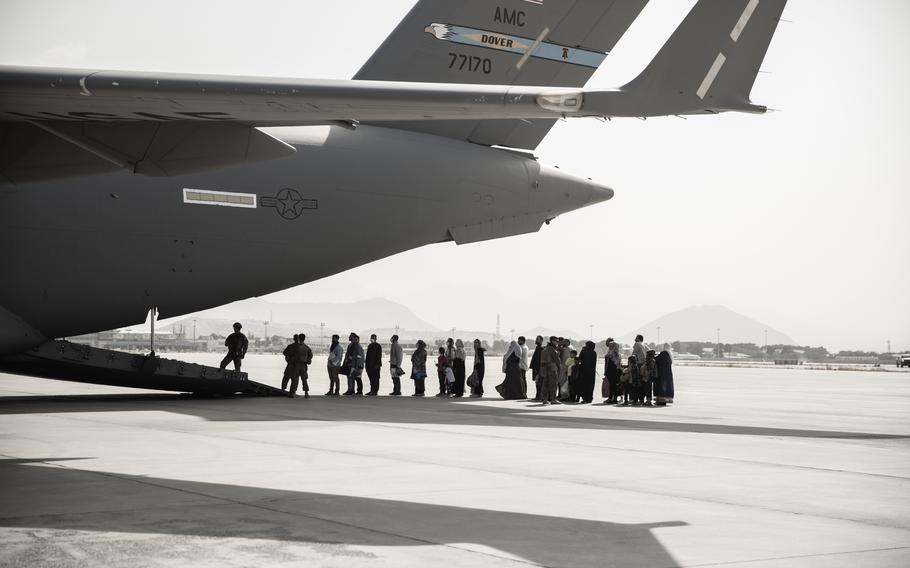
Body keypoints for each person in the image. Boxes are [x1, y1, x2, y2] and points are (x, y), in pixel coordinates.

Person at [289, 332, 313, 398]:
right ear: (304, 339)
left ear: (299, 338)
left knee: (295, 379)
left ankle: (292, 393)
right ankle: (306, 393)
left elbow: (290, 354)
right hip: (303, 365)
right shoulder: (307, 347)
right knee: (304, 379)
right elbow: (310, 355)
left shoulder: (295, 347)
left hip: (296, 365)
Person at [539, 336, 561, 405]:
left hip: (545, 369)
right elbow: (557, 360)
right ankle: (553, 399)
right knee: (553, 384)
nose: (557, 343)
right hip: (552, 368)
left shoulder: (545, 349)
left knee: (545, 384)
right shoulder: (552, 349)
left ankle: (544, 399)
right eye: (556, 341)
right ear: (552, 341)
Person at [604, 338, 622, 404]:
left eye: (611, 345)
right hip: (616, 371)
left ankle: (612, 398)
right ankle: (614, 398)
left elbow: (608, 364)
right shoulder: (618, 354)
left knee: (612, 385)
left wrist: (606, 372)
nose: (609, 346)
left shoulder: (610, 354)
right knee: (614, 385)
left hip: (612, 372)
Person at [529, 335, 543, 401]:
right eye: (536, 338)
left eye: (537, 339)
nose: (536, 340)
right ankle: (538, 396)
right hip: (536, 368)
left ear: (541, 340)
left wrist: (537, 369)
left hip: (538, 369)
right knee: (537, 382)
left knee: (539, 383)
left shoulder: (540, 348)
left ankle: (539, 396)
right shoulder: (538, 348)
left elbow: (538, 360)